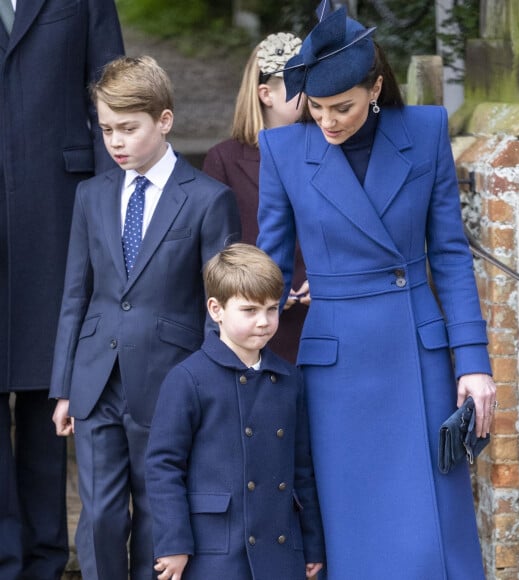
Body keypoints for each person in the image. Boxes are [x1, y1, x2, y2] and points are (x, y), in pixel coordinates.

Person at [257, 2, 497, 578]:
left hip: (416, 351)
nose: (328, 122)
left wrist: (473, 361)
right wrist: (244, 347)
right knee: (352, 532)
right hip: (335, 366)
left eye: (342, 107)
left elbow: (449, 253)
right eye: (315, 108)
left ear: (376, 87)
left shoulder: (426, 129)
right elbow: (266, 266)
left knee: (429, 533)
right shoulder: (283, 151)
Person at [49, 55, 241, 579]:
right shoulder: (91, 195)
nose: (115, 141)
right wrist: (63, 386)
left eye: (128, 129)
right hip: (95, 381)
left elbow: (218, 306)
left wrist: (212, 387)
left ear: (164, 120)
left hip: (170, 380)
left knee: (160, 511)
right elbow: (76, 294)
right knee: (100, 516)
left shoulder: (208, 200)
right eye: (107, 129)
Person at [0, 1, 124, 578]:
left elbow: (112, 87)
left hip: (57, 207)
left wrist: (111, 208)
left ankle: (46, 560)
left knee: (51, 388)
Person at [145, 243, 325, 580]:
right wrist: (173, 544)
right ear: (216, 309)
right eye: (250, 310)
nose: (264, 322)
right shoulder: (188, 379)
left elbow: (302, 470)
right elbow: (163, 466)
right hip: (214, 550)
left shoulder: (290, 379)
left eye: (272, 309)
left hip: (280, 548)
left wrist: (312, 545)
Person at [203, 32, 308, 363]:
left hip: (318, 319)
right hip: (255, 328)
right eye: (300, 86)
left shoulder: (326, 149)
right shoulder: (224, 159)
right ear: (266, 94)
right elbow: (217, 249)